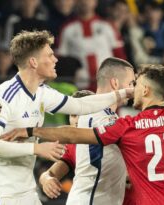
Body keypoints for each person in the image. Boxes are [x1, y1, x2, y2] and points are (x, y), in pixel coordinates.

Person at [1, 64, 164, 204]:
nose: (132, 90)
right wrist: (46, 176)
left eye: (136, 84)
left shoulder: (127, 126)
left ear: (146, 90)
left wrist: (30, 130)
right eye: (131, 83)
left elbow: (73, 135)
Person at [0, 30, 132, 205]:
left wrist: (122, 93)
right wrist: (37, 149)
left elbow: (81, 105)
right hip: (1, 193)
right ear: (33, 62)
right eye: (50, 55)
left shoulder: (42, 92)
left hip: (26, 191)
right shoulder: (3, 97)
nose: (56, 60)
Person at [40, 57, 135, 205]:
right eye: (130, 84)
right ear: (115, 83)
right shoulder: (94, 115)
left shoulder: (111, 118)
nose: (132, 89)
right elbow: (70, 135)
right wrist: (31, 132)